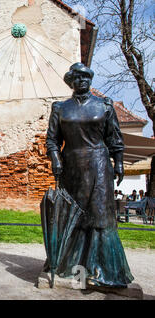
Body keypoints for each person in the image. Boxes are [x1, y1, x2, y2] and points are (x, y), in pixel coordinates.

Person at [46, 62, 134, 287]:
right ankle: (68, 264)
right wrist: (55, 159)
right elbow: (52, 140)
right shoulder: (60, 108)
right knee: (72, 215)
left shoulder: (104, 105)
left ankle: (104, 270)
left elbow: (115, 139)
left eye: (86, 77)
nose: (83, 81)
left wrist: (120, 163)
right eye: (78, 77)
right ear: (71, 82)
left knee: (99, 214)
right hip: (71, 166)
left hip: (98, 164)